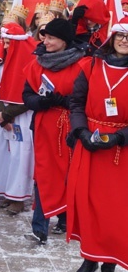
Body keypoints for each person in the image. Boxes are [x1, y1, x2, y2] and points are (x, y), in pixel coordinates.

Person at [66, 17, 128, 272]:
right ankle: (89, 259)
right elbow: (76, 102)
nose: (125, 41)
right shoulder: (91, 66)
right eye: (121, 36)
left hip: (119, 153)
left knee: (113, 211)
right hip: (89, 146)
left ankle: (108, 268)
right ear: (112, 37)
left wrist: (118, 138)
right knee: (88, 205)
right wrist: (80, 132)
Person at [22, 18, 84, 244]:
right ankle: (39, 228)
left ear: (64, 41)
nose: (45, 41)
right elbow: (26, 96)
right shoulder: (37, 64)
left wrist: (65, 102)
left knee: (68, 174)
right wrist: (42, 103)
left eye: (51, 37)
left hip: (70, 126)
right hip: (43, 127)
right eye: (44, 36)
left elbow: (87, 99)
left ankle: (67, 218)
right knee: (44, 174)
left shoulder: (82, 66)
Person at [0, 22, 37, 215]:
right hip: (2, 116)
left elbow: (30, 95)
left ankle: (18, 195)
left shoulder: (29, 64)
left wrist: (8, 115)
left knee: (20, 154)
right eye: (4, 42)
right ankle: (6, 191)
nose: (5, 46)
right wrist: (1, 116)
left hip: (21, 116)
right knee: (3, 154)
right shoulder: (1, 61)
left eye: (8, 43)